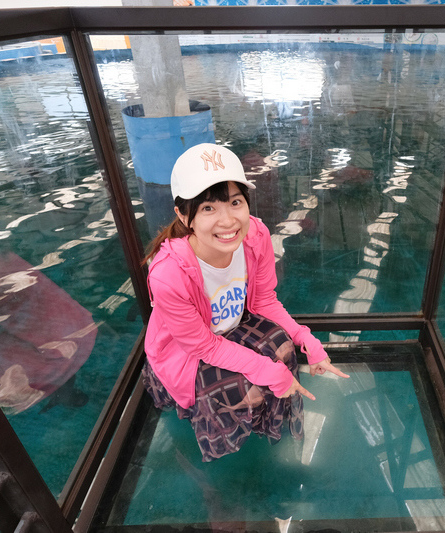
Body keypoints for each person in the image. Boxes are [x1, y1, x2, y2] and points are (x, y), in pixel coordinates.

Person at [142, 142, 349, 462]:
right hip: (188, 350)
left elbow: (265, 300)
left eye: (235, 202)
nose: (228, 221)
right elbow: (204, 347)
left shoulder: (256, 235)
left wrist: (305, 338)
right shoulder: (167, 274)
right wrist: (268, 372)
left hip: (232, 324)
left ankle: (263, 423)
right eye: (208, 208)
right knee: (249, 380)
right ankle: (224, 443)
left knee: (282, 345)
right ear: (184, 215)